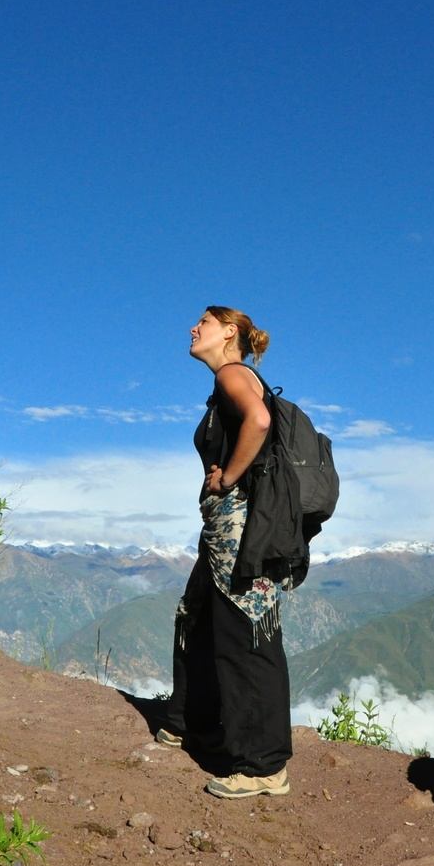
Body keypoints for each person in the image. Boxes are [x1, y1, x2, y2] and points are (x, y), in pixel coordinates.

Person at [157, 306, 293, 799]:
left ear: (229, 332)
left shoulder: (235, 374)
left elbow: (257, 420)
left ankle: (263, 766)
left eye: (204, 323)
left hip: (242, 536)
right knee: (197, 618)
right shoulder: (226, 384)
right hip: (222, 536)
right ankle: (193, 723)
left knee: (246, 636)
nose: (193, 329)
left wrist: (228, 477)